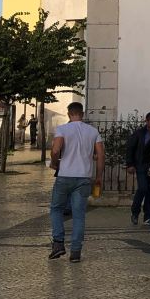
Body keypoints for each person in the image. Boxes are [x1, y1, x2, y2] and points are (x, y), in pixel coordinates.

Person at [48, 102, 105, 263]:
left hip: (65, 175)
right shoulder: (93, 131)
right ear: (82, 114)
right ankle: (75, 252)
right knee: (79, 215)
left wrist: (54, 163)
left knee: (56, 209)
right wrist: (98, 177)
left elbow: (55, 150)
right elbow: (101, 155)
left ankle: (58, 243)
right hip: (84, 177)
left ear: (69, 114)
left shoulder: (63, 129)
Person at [124, 112, 150, 226]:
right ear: (147, 121)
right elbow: (130, 148)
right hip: (141, 165)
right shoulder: (139, 133)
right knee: (143, 188)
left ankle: (147, 216)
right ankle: (135, 212)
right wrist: (130, 164)